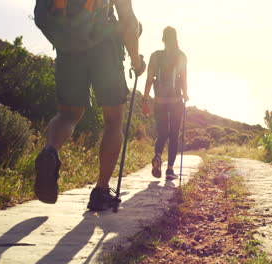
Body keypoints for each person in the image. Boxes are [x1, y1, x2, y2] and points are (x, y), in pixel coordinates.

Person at [34, 0, 146, 211]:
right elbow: (128, 19)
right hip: (106, 51)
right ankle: (101, 191)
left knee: (67, 115)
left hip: (68, 50)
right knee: (113, 121)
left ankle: (50, 151)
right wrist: (135, 61)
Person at [142, 26, 188, 180]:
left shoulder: (155, 56)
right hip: (176, 102)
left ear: (163, 39)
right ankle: (169, 170)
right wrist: (186, 94)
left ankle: (157, 156)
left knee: (162, 133)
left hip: (160, 101)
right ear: (176, 39)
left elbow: (149, 79)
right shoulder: (181, 56)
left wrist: (145, 99)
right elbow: (183, 79)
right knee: (174, 135)